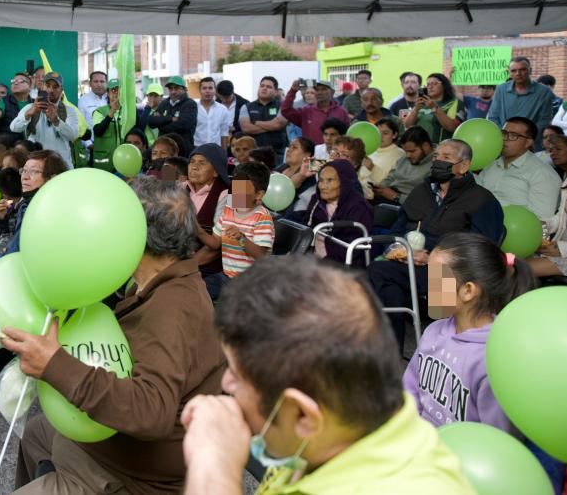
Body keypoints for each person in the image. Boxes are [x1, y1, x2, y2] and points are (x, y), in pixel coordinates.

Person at [181, 255, 475, 495]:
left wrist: (214, 464)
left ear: (304, 417)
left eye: (237, 375)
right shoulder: (333, 435)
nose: (225, 383)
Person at [5, 176, 226, 493]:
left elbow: (152, 411)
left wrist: (55, 364)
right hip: (116, 450)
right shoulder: (163, 282)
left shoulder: (172, 308)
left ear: (132, 232)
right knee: (36, 431)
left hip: (134, 476)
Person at [370, 139, 504, 351]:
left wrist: (432, 257)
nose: (438, 161)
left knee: (379, 272)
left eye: (446, 157)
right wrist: (396, 250)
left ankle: (415, 348)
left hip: (450, 273)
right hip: (407, 262)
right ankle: (392, 349)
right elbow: (397, 230)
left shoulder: (482, 200)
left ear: (464, 165)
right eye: (436, 156)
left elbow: (482, 250)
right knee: (387, 284)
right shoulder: (421, 192)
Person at [405, 232, 536, 432]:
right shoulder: (434, 331)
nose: (426, 285)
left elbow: (497, 440)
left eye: (435, 278)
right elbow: (409, 390)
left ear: (468, 290)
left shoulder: (495, 359)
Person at [199, 161, 274, 299]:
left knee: (201, 294)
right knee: (195, 289)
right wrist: (197, 230)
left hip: (249, 283)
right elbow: (215, 242)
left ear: (259, 195)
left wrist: (241, 238)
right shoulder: (229, 209)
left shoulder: (262, 217)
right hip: (227, 275)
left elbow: (261, 255)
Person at [0, 150, 67, 266]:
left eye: (34, 172)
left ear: (51, 178)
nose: (25, 177)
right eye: (24, 170)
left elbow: (12, 258)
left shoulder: (40, 210)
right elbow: (10, 247)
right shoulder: (25, 204)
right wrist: (2, 222)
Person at [528, 128, 567, 279]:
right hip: (559, 247)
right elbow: (560, 219)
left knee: (523, 268)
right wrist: (541, 225)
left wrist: (563, 249)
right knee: (515, 263)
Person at [477, 116, 561, 221]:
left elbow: (541, 219)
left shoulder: (542, 173)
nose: (505, 139)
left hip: (515, 232)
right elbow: (476, 197)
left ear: (528, 142)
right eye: (503, 133)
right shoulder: (491, 166)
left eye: (513, 135)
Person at [303, 159, 373, 267]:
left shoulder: (359, 208)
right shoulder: (317, 201)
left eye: (330, 180)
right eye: (321, 180)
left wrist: (318, 265)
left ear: (344, 181)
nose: (322, 186)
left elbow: (351, 250)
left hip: (343, 267)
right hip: (312, 258)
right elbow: (306, 228)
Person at [11, 71, 79, 168]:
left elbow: (73, 136)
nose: (51, 90)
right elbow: (14, 128)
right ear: (42, 87)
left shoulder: (69, 111)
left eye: (55, 87)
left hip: (62, 166)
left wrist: (56, 121)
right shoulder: (30, 107)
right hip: (36, 166)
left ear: (61, 90)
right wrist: (29, 113)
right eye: (48, 85)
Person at [487, 57, 556, 150]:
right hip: (504, 143)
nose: (518, 74)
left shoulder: (544, 92)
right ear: (509, 72)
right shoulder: (501, 89)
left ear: (530, 70)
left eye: (522, 70)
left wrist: (525, 138)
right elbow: (493, 117)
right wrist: (506, 136)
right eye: (513, 70)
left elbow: (544, 120)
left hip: (530, 146)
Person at [186, 144, 230, 280]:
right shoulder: (181, 188)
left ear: (216, 171)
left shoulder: (227, 195)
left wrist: (186, 266)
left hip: (206, 269)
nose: (194, 167)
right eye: (192, 162)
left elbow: (217, 246)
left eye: (202, 163)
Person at [371, 126, 434, 204]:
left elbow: (426, 202)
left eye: (412, 151)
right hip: (387, 196)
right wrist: (379, 189)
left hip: (405, 204)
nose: (408, 155)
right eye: (406, 151)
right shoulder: (404, 159)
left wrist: (396, 196)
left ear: (426, 146)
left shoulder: (436, 165)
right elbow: (390, 178)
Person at [281, 79, 349, 145]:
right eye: (317, 89)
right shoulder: (306, 111)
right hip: (311, 154)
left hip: (334, 154)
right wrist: (293, 90)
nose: (320, 92)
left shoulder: (341, 111)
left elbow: (346, 134)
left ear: (332, 92)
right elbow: (286, 110)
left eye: (323, 89)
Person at [402, 73, 465, 144]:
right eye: (428, 84)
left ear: (444, 85)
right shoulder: (422, 103)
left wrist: (434, 108)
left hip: (440, 148)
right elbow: (407, 126)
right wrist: (416, 109)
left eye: (434, 83)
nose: (430, 87)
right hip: (419, 147)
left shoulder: (455, 103)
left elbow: (452, 127)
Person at [239, 76, 288, 160]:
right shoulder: (246, 107)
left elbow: (278, 124)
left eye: (269, 87)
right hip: (253, 154)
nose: (264, 88)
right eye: (262, 86)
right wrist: (271, 125)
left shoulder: (283, 106)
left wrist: (256, 122)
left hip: (278, 154)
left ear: (276, 92)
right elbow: (246, 128)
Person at [147, 76, 198, 153]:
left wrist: (161, 125)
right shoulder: (164, 103)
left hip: (182, 151)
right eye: (171, 89)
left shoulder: (190, 104)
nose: (173, 91)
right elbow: (151, 122)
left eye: (176, 88)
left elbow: (184, 125)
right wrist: (170, 118)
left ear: (184, 89)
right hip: (163, 150)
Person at [275, 136, 317, 216]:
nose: (289, 150)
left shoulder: (310, 175)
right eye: (289, 147)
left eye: (294, 147)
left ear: (307, 154)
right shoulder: (280, 168)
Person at [90, 79, 126, 171]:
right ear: (108, 94)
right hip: (104, 163)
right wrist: (111, 112)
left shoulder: (127, 112)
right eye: (113, 90)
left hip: (124, 160)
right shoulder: (100, 111)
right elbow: (98, 131)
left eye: (119, 90)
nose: (116, 93)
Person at [331, 135, 374, 201]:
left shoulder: (355, 185)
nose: (336, 157)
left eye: (344, 155)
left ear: (355, 164)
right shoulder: (326, 174)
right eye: (335, 152)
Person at [0, 72, 32, 146]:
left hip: (30, 144)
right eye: (13, 81)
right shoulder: (3, 101)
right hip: (6, 143)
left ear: (30, 87)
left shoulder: (35, 103)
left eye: (21, 81)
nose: (15, 83)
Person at [193, 76, 232, 148]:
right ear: (199, 90)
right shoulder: (193, 108)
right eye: (204, 88)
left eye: (210, 88)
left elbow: (224, 134)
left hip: (215, 149)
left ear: (215, 90)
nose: (207, 91)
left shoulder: (222, 109)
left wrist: (223, 155)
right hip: (197, 148)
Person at [370, 117, 405, 184]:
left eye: (385, 133)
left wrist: (372, 167)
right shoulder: (370, 150)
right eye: (378, 133)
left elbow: (390, 181)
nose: (380, 136)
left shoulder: (400, 155)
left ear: (394, 135)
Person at [77, 70, 108, 138]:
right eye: (96, 81)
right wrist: (88, 144)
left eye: (102, 81)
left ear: (107, 83)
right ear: (90, 84)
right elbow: (81, 125)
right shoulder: (83, 100)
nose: (99, 84)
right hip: (93, 144)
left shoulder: (111, 99)